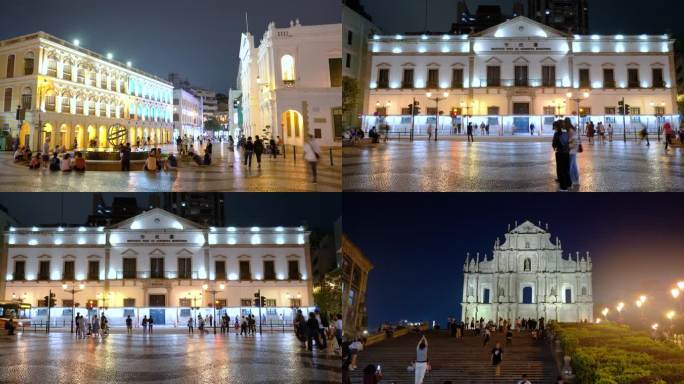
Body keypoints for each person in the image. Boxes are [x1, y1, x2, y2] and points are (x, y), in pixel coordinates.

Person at [552, 120, 572, 191]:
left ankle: (563, 187)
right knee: (566, 169)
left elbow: (554, 144)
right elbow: (570, 142)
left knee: (561, 170)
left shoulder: (557, 134)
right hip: (567, 153)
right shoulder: (567, 133)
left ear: (557, 126)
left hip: (560, 153)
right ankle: (569, 183)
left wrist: (555, 145)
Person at [567, 120, 580, 187]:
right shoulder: (572, 130)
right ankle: (576, 180)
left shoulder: (570, 130)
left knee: (571, 166)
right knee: (574, 165)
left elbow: (574, 142)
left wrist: (567, 144)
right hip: (573, 150)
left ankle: (573, 180)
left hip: (572, 150)